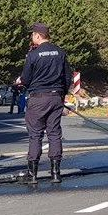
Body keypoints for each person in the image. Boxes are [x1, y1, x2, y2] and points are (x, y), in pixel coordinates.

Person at [19, 22, 72, 184]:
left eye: (32, 35)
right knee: (54, 134)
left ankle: (32, 174)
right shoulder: (60, 53)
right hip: (56, 97)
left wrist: (21, 82)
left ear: (38, 36)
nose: (31, 37)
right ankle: (55, 173)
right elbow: (67, 78)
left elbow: (26, 79)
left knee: (35, 135)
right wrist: (61, 96)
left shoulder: (33, 55)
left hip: (38, 98)